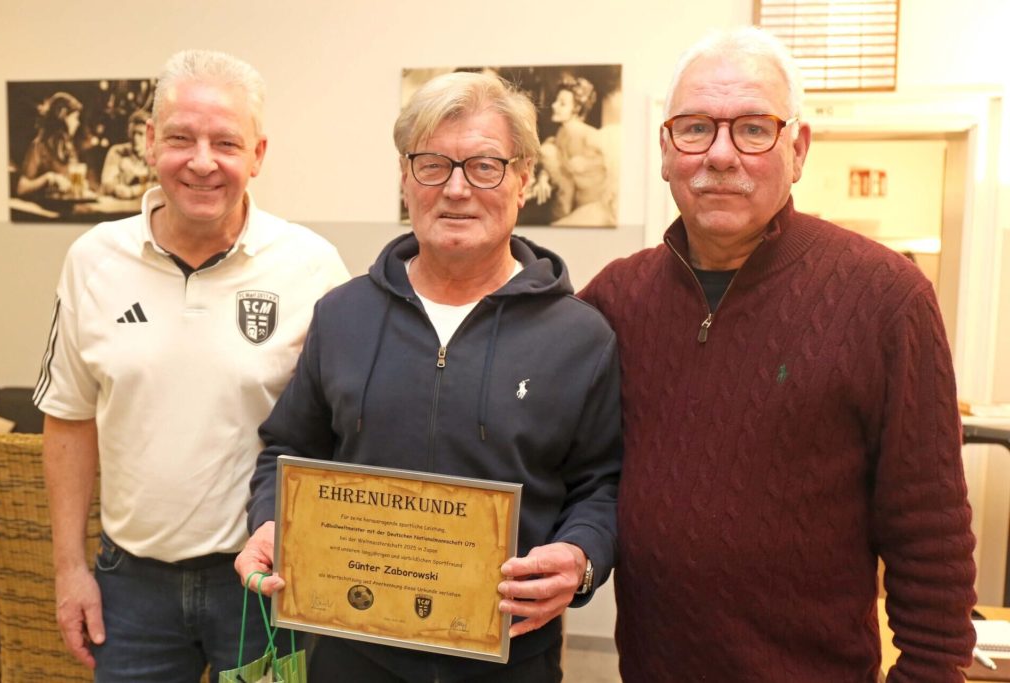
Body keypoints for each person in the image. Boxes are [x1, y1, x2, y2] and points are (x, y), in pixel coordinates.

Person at [580, 27, 976, 682]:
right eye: (696, 127)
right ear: (664, 149)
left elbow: (930, 535)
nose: (721, 154)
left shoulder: (887, 299)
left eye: (754, 129)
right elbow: (577, 477)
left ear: (798, 147)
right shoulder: (615, 300)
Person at [235, 70, 622, 683]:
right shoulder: (342, 315)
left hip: (509, 657)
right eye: (433, 165)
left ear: (524, 179)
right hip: (350, 649)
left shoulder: (581, 337)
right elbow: (288, 447)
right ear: (405, 180)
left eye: (485, 166)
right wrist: (269, 520)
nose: (458, 189)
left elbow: (601, 484)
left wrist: (581, 559)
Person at [33, 49, 350, 682]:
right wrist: (70, 570)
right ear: (150, 143)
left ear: (258, 154)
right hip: (131, 588)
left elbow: (346, 427)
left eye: (226, 143)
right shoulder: (92, 259)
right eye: (181, 138)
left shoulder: (311, 267)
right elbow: (68, 421)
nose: (202, 161)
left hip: (263, 586)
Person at [534, 75, 615, 226]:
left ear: (576, 109)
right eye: (557, 101)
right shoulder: (562, 132)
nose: (554, 106)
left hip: (596, 211)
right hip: (574, 207)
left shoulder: (590, 137)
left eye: (562, 103)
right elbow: (552, 156)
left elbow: (615, 170)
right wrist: (543, 178)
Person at [16, 91, 84, 199]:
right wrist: (48, 178)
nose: (78, 123)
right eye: (75, 117)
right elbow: (21, 188)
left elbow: (72, 185)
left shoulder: (69, 147)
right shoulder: (39, 146)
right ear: (63, 116)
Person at [100, 109, 156, 199]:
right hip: (119, 209)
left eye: (140, 134)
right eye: (133, 133)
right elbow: (106, 184)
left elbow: (162, 186)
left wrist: (133, 191)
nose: (135, 139)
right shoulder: (117, 152)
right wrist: (115, 189)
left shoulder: (157, 155)